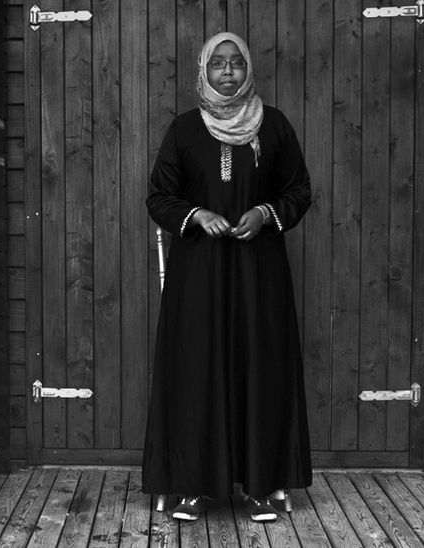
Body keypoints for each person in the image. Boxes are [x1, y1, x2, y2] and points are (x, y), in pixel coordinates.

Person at [142, 31, 313, 523]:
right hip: (198, 276)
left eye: (236, 63)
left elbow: (298, 191)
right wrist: (195, 215)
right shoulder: (184, 130)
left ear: (248, 69)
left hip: (260, 273)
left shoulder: (274, 126)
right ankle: (193, 488)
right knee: (198, 371)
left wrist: (264, 212)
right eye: (218, 64)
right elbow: (159, 196)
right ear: (204, 71)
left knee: (259, 370)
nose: (228, 72)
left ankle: (260, 487)